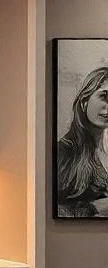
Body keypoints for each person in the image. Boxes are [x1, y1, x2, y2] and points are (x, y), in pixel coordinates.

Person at [57, 66, 108, 217]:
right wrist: (93, 208)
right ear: (84, 101)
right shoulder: (65, 152)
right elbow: (52, 208)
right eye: (104, 96)